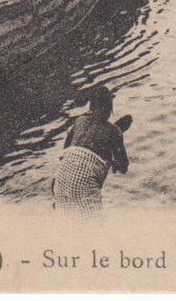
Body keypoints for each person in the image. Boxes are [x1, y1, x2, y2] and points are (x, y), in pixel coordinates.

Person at [52, 86, 130, 215]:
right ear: (109, 109)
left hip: (60, 181)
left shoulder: (79, 121)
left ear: (91, 106)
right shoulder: (113, 131)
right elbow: (123, 167)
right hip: (82, 185)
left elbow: (65, 153)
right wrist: (114, 162)